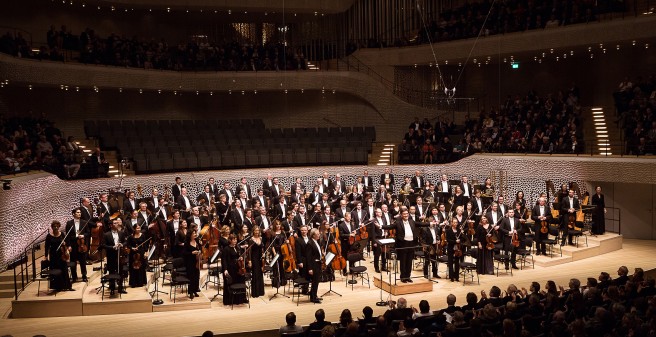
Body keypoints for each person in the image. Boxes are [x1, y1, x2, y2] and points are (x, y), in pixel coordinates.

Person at [383, 208, 428, 283]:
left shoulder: (411, 221)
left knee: (409, 261)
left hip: (411, 243)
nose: (406, 215)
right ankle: (403, 277)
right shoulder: (398, 222)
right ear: (401, 215)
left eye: (407, 214)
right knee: (403, 261)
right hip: (403, 243)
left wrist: (430, 224)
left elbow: (420, 224)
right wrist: (381, 226)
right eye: (404, 214)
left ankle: (408, 276)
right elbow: (390, 226)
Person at [44, 220, 73, 292]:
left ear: (59, 227)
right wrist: (46, 255)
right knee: (56, 270)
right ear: (52, 227)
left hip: (62, 254)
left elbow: (66, 243)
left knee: (64, 270)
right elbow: (46, 246)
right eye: (54, 226)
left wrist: (65, 244)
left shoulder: (62, 234)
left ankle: (67, 286)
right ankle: (57, 287)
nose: (56, 228)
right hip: (53, 255)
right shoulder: (49, 236)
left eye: (57, 226)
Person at [102, 218, 127, 295]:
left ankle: (120, 287)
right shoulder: (106, 234)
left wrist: (122, 244)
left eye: (117, 223)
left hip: (120, 255)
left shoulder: (121, 233)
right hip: (111, 255)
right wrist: (112, 247)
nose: (117, 224)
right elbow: (104, 245)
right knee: (112, 271)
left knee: (121, 271)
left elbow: (125, 241)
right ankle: (112, 288)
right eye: (115, 223)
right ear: (111, 225)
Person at [222, 234, 247, 305]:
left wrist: (241, 258)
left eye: (236, 239)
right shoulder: (226, 249)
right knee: (232, 283)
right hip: (231, 269)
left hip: (238, 269)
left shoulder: (237, 247)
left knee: (241, 280)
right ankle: (231, 300)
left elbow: (239, 256)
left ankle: (241, 299)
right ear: (230, 240)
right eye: (233, 239)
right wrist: (225, 269)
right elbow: (224, 260)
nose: (235, 241)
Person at [65, 208, 89, 283]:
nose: (79, 214)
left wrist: (83, 236)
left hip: (81, 245)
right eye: (78, 212)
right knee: (73, 261)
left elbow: (88, 233)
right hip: (73, 244)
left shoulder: (84, 222)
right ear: (73, 214)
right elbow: (67, 235)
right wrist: (68, 245)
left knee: (82, 261)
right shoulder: (69, 223)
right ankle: (74, 277)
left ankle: (84, 276)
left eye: (80, 212)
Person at [126, 223, 148, 287]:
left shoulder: (143, 235)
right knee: (133, 268)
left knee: (141, 267)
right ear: (134, 229)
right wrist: (132, 248)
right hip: (133, 254)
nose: (139, 229)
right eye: (137, 228)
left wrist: (145, 252)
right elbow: (128, 245)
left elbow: (145, 245)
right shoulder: (130, 237)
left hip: (140, 253)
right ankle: (133, 282)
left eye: (139, 228)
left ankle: (140, 282)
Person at [307, 228, 323, 303]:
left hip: (318, 263)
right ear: (313, 235)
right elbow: (308, 257)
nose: (319, 235)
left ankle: (315, 295)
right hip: (313, 265)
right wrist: (310, 268)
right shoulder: (310, 243)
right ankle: (313, 298)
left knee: (317, 281)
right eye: (317, 234)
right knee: (314, 281)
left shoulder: (316, 241)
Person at [184, 229, 202, 299]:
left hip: (197, 261)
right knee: (191, 277)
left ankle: (195, 290)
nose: (195, 234)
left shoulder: (197, 241)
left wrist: (199, 250)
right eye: (194, 233)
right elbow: (184, 253)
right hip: (190, 262)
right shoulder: (187, 243)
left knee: (196, 276)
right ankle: (190, 291)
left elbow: (200, 248)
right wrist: (192, 253)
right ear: (190, 235)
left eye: (195, 233)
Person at [249, 226, 265, 298]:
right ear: (253, 231)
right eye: (255, 231)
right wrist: (249, 260)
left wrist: (263, 253)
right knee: (255, 274)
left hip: (260, 258)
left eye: (258, 231)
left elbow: (262, 248)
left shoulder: (261, 238)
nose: (257, 232)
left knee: (260, 274)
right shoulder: (251, 239)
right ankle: (255, 292)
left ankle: (260, 291)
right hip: (254, 258)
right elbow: (249, 251)